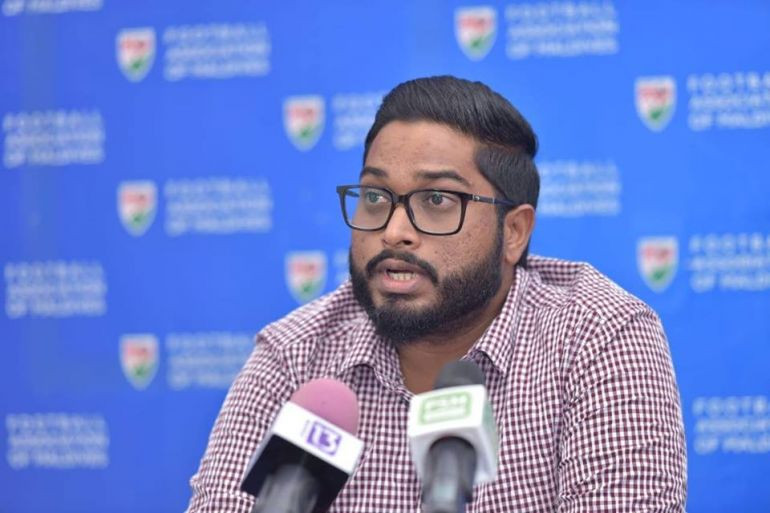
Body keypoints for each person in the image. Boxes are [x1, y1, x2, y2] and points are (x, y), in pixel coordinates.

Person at [186, 76, 687, 512]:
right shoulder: (296, 354)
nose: (394, 231)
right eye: (376, 196)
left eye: (437, 200)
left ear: (513, 232)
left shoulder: (595, 335)